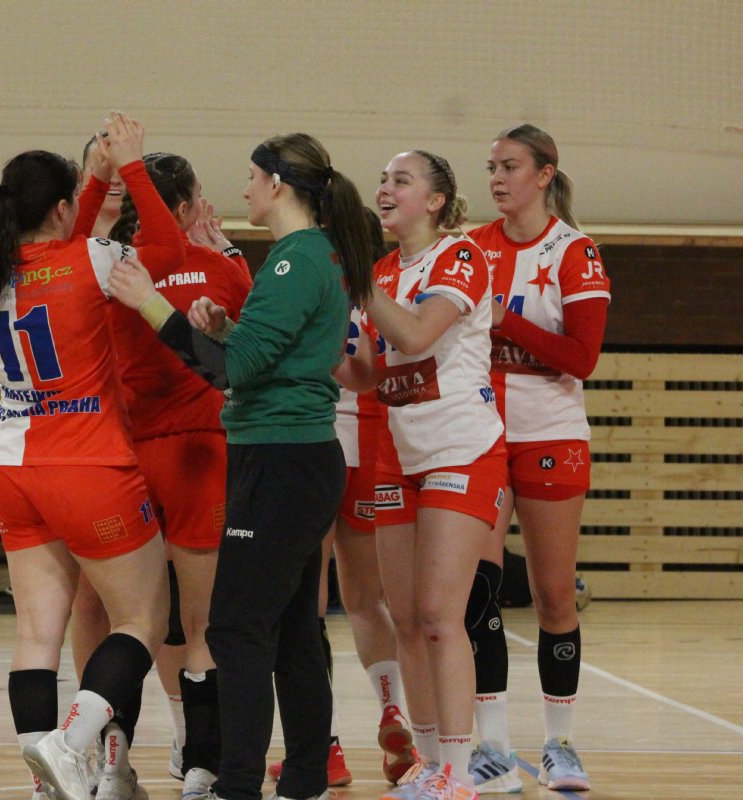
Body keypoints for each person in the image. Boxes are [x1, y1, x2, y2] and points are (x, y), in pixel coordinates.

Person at [110, 132, 373, 800]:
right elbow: (265, 355)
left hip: (281, 463)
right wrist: (226, 328)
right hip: (297, 458)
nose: (245, 190)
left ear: (278, 185)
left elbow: (233, 372)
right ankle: (305, 777)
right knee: (293, 631)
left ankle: (237, 784)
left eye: (253, 178)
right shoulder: (309, 255)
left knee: (234, 627)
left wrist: (149, 300)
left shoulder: (295, 260)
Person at [0, 113, 183, 800]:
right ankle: (69, 744)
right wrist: (131, 168)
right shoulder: (91, 260)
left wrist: (89, 183)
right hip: (89, 468)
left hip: (12, 468)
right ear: (61, 209)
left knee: (37, 635)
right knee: (143, 620)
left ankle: (44, 781)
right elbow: (169, 249)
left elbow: (64, 244)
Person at [336, 149, 505, 800]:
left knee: (439, 614)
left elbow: (413, 335)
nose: (385, 189)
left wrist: (358, 283)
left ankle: (459, 773)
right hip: (399, 453)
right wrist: (314, 342)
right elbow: (366, 375)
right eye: (382, 180)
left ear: (435, 201)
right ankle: (429, 765)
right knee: (405, 616)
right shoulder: (381, 271)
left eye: (400, 181)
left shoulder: (460, 256)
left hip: (460, 448)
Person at [464, 123, 610, 794]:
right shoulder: (472, 248)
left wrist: (507, 321)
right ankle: (492, 746)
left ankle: (560, 744)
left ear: (545, 174)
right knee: (479, 591)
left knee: (553, 593)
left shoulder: (574, 251)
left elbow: (582, 358)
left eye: (510, 166)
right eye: (492, 167)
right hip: (481, 438)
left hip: (551, 436)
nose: (497, 178)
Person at [105, 155, 252, 800]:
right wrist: (231, 258)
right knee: (204, 621)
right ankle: (201, 765)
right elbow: (252, 348)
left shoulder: (112, 270)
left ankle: (115, 763)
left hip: (129, 456)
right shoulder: (219, 268)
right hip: (202, 455)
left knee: (134, 620)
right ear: (188, 208)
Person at [266, 213, 417, 790]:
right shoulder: (383, 288)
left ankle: (322, 746)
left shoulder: (306, 276)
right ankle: (392, 710)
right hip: (371, 445)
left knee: (307, 603)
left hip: (316, 439)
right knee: (365, 600)